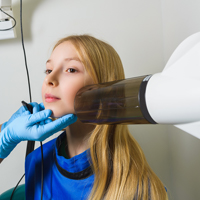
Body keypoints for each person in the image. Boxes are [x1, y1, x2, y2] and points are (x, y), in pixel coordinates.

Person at [1, 35, 168, 200]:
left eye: (71, 70)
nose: (49, 79)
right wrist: (6, 137)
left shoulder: (138, 188)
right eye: (49, 70)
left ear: (104, 89)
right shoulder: (37, 160)